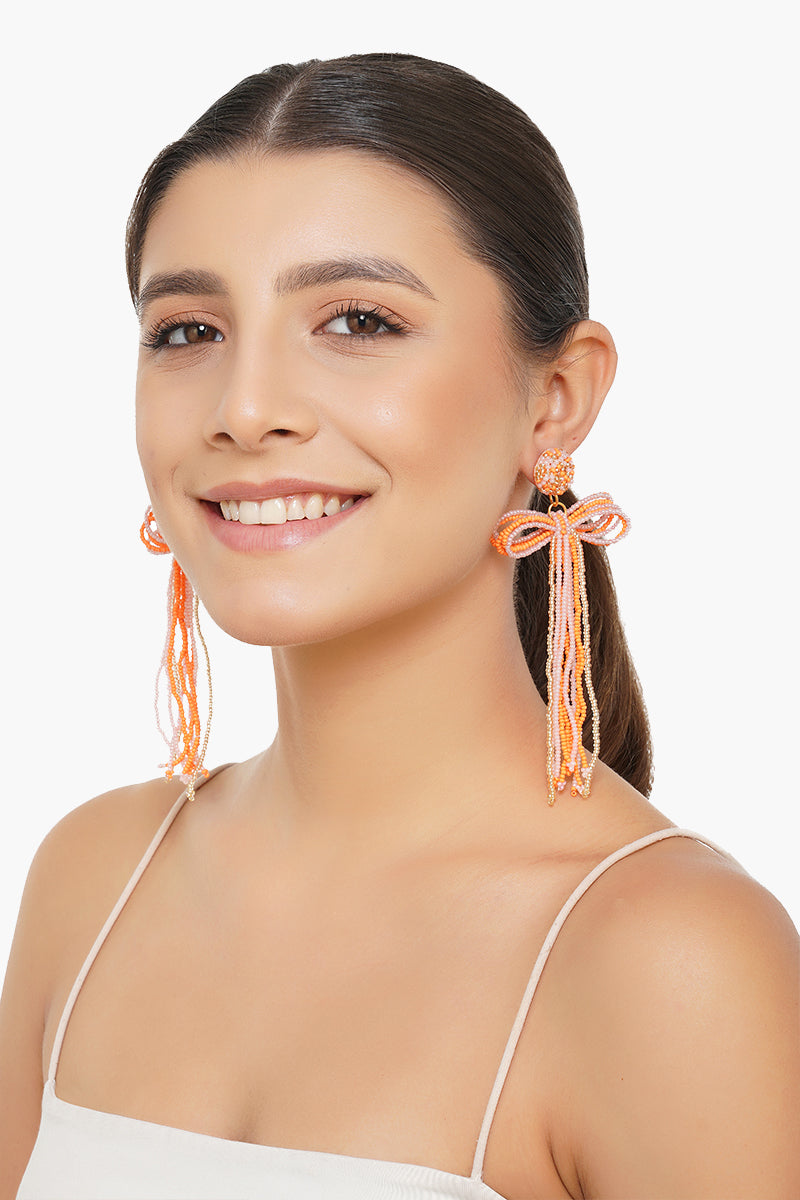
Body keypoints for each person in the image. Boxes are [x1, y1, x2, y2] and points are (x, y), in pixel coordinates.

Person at [1, 52, 798, 1200]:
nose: (244, 410)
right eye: (186, 331)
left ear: (555, 401)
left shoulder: (667, 961)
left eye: (357, 320)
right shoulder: (93, 877)